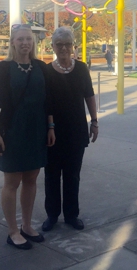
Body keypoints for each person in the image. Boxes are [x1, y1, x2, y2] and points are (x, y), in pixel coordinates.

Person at [0, 24, 55, 250]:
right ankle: (13, 231)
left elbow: (49, 102)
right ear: (12, 42)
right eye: (20, 39)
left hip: (36, 130)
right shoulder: (2, 68)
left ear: (33, 42)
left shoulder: (41, 67)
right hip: (12, 131)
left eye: (29, 39)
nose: (25, 43)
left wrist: (51, 127)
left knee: (31, 178)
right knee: (11, 182)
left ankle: (27, 225)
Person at [42, 27, 98, 233]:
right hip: (53, 131)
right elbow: (46, 102)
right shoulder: (47, 71)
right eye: (59, 45)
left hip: (76, 130)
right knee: (52, 175)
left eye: (68, 44)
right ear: (53, 47)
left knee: (73, 175)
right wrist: (50, 126)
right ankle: (52, 215)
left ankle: (72, 214)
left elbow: (89, 96)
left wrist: (94, 121)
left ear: (73, 46)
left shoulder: (82, 68)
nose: (64, 48)